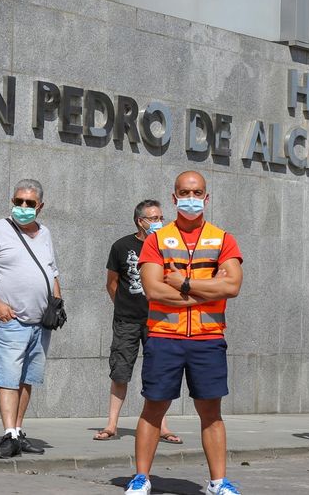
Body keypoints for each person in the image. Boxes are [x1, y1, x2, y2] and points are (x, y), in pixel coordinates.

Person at [126, 170, 243, 495]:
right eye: (184, 193)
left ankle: (218, 482)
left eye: (197, 193)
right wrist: (209, 289)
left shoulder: (223, 239)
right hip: (165, 337)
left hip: (208, 339)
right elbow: (153, 290)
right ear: (174, 198)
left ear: (206, 198)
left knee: (211, 413)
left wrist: (186, 283)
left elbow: (232, 285)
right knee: (154, 407)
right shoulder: (157, 240)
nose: (191, 198)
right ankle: (141, 478)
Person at [0, 179, 61, 459]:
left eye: (30, 203)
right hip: (10, 320)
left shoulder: (45, 233)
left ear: (40, 206)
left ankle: (18, 432)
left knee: (27, 378)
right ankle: (8, 434)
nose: (23, 207)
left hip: (40, 323)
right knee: (8, 378)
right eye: (18, 201)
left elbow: (52, 271)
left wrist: (57, 303)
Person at [95, 199, 179, 444]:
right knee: (120, 371)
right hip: (127, 320)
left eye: (160, 217)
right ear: (139, 221)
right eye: (153, 218)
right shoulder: (122, 246)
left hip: (159, 320)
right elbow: (111, 283)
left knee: (159, 373)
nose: (159, 222)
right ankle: (112, 425)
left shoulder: (167, 246)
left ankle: (162, 426)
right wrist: (122, 306)